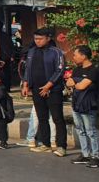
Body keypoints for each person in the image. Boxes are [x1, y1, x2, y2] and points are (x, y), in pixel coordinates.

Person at [22, 28, 67, 157]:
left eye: (40, 39)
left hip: (53, 90)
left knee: (57, 118)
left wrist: (48, 86)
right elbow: (28, 69)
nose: (38, 41)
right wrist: (26, 84)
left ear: (48, 38)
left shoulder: (56, 52)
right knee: (42, 118)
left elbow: (59, 70)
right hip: (36, 89)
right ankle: (45, 144)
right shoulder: (32, 52)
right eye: (36, 39)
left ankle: (61, 146)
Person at [66, 45, 99, 166]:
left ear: (83, 56)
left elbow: (81, 86)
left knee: (91, 131)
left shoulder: (94, 70)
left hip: (89, 105)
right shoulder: (77, 69)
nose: (73, 57)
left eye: (75, 55)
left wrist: (75, 82)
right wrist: (76, 82)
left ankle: (96, 156)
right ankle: (85, 154)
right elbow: (69, 82)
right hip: (76, 103)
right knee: (80, 130)